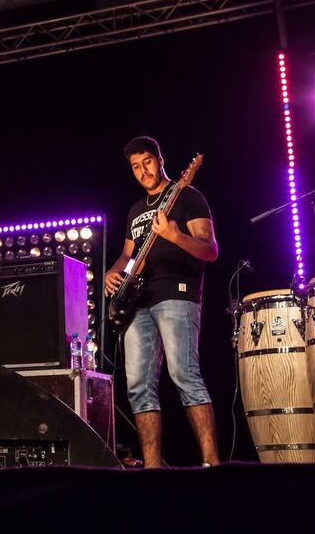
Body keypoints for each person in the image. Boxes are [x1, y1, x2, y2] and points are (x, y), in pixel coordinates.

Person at [104, 136, 220, 468]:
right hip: (137, 301)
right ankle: (153, 470)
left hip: (177, 295)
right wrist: (113, 274)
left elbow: (209, 249)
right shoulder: (136, 211)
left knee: (184, 374)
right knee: (138, 385)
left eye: (147, 163)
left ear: (160, 160)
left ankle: (212, 465)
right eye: (135, 167)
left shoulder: (187, 196)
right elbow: (127, 257)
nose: (143, 171)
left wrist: (173, 235)